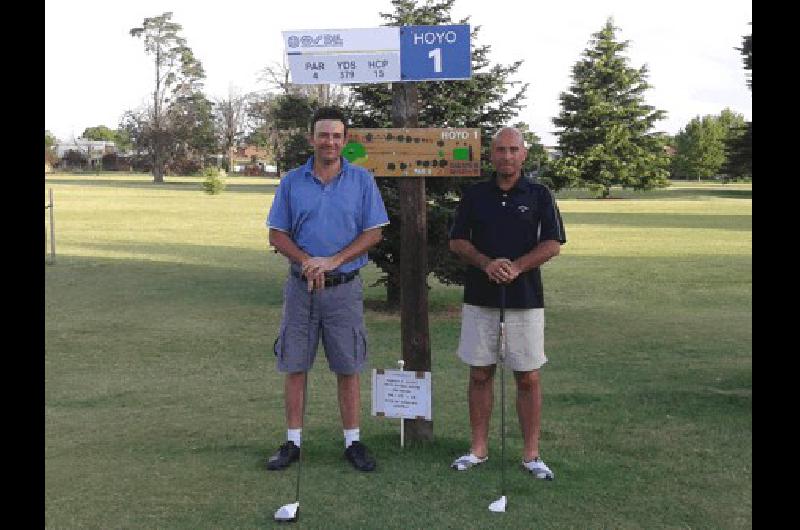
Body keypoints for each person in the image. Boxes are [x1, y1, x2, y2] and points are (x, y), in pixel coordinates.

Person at [265, 107, 389, 473]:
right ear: (311, 139)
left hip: (344, 288)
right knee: (295, 363)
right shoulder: (291, 181)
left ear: (345, 140)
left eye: (336, 135)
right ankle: (293, 442)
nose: (330, 141)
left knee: (347, 365)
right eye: (323, 135)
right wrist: (307, 261)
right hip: (301, 288)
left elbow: (374, 232)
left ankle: (352, 441)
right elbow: (277, 233)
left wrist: (332, 261)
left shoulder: (362, 181)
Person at [448, 126, 566, 479]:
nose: (506, 156)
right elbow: (457, 240)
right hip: (480, 298)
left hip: (525, 299)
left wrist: (516, 267)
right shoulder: (475, 195)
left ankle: (531, 454)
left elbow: (553, 242)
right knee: (480, 373)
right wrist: (487, 263)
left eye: (513, 149)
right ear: (491, 154)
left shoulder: (540, 194)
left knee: (527, 377)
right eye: (500, 150)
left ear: (524, 154)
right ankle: (478, 449)